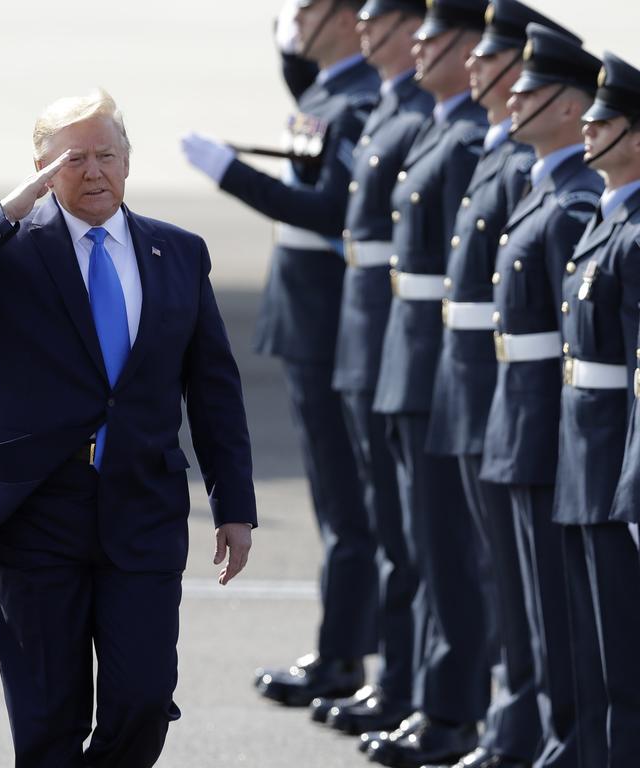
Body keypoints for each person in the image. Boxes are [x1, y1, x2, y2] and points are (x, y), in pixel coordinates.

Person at [0, 90, 257, 768]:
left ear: (128, 161)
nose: (94, 172)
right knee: (47, 715)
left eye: (107, 155)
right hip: (32, 508)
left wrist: (234, 506)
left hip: (142, 504)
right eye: (73, 159)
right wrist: (8, 210)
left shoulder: (178, 252)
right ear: (41, 170)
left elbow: (213, 387)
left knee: (143, 698)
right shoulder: (6, 251)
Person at [182, 0, 382, 709]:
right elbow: (301, 89)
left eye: (306, 8)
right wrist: (285, 44)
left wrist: (229, 173)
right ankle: (347, 648)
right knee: (338, 501)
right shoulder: (330, 88)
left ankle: (345, 655)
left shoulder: (359, 97)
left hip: (333, 318)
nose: (294, 18)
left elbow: (328, 208)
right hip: (308, 316)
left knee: (348, 503)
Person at [422, 5, 574, 768]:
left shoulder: (527, 166)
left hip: (517, 393)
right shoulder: (506, 154)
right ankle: (515, 725)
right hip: (482, 382)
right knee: (508, 583)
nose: (480, 73)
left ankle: (532, 729)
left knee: (535, 588)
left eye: (493, 61)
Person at [363, 1, 491, 765]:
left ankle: (453, 712)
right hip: (409, 358)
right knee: (420, 543)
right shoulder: (442, 126)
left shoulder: (467, 139)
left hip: (442, 368)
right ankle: (429, 699)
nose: (418, 45)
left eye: (434, 37)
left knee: (448, 552)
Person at [478, 23, 604, 768]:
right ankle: (534, 736)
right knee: (527, 606)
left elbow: (579, 336)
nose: (510, 100)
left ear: (566, 105)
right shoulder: (545, 186)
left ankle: (569, 743)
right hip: (514, 412)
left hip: (549, 426)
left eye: (528, 90)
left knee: (560, 612)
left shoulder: (576, 198)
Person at [316, 0, 432, 739]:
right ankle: (400, 679)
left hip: (409, 340)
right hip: (377, 334)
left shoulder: (421, 118)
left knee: (419, 535)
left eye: (383, 24)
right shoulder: (393, 109)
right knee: (393, 526)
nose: (364, 35)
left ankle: (419, 687)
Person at [556, 51, 640, 768]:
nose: (587, 127)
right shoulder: (609, 219)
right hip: (585, 455)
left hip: (618, 463)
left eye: (603, 119)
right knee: (593, 646)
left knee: (626, 658)